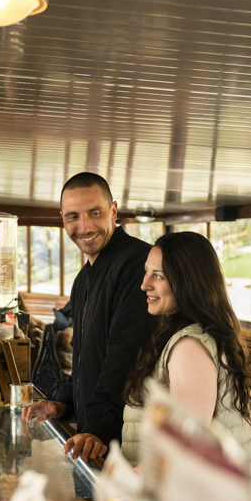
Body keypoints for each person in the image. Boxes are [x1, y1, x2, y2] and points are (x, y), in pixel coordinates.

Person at [22, 172, 156, 460]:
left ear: (113, 211)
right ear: (62, 219)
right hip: (91, 438)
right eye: (73, 216)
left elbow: (125, 359)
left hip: (127, 442)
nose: (84, 227)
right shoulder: (83, 279)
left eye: (95, 213)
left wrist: (96, 428)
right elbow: (84, 359)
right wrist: (62, 402)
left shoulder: (137, 264)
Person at [119, 232, 251, 489]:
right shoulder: (188, 333)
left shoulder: (189, 346)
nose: (144, 284)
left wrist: (126, 482)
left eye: (158, 276)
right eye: (146, 272)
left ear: (188, 281)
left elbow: (185, 443)